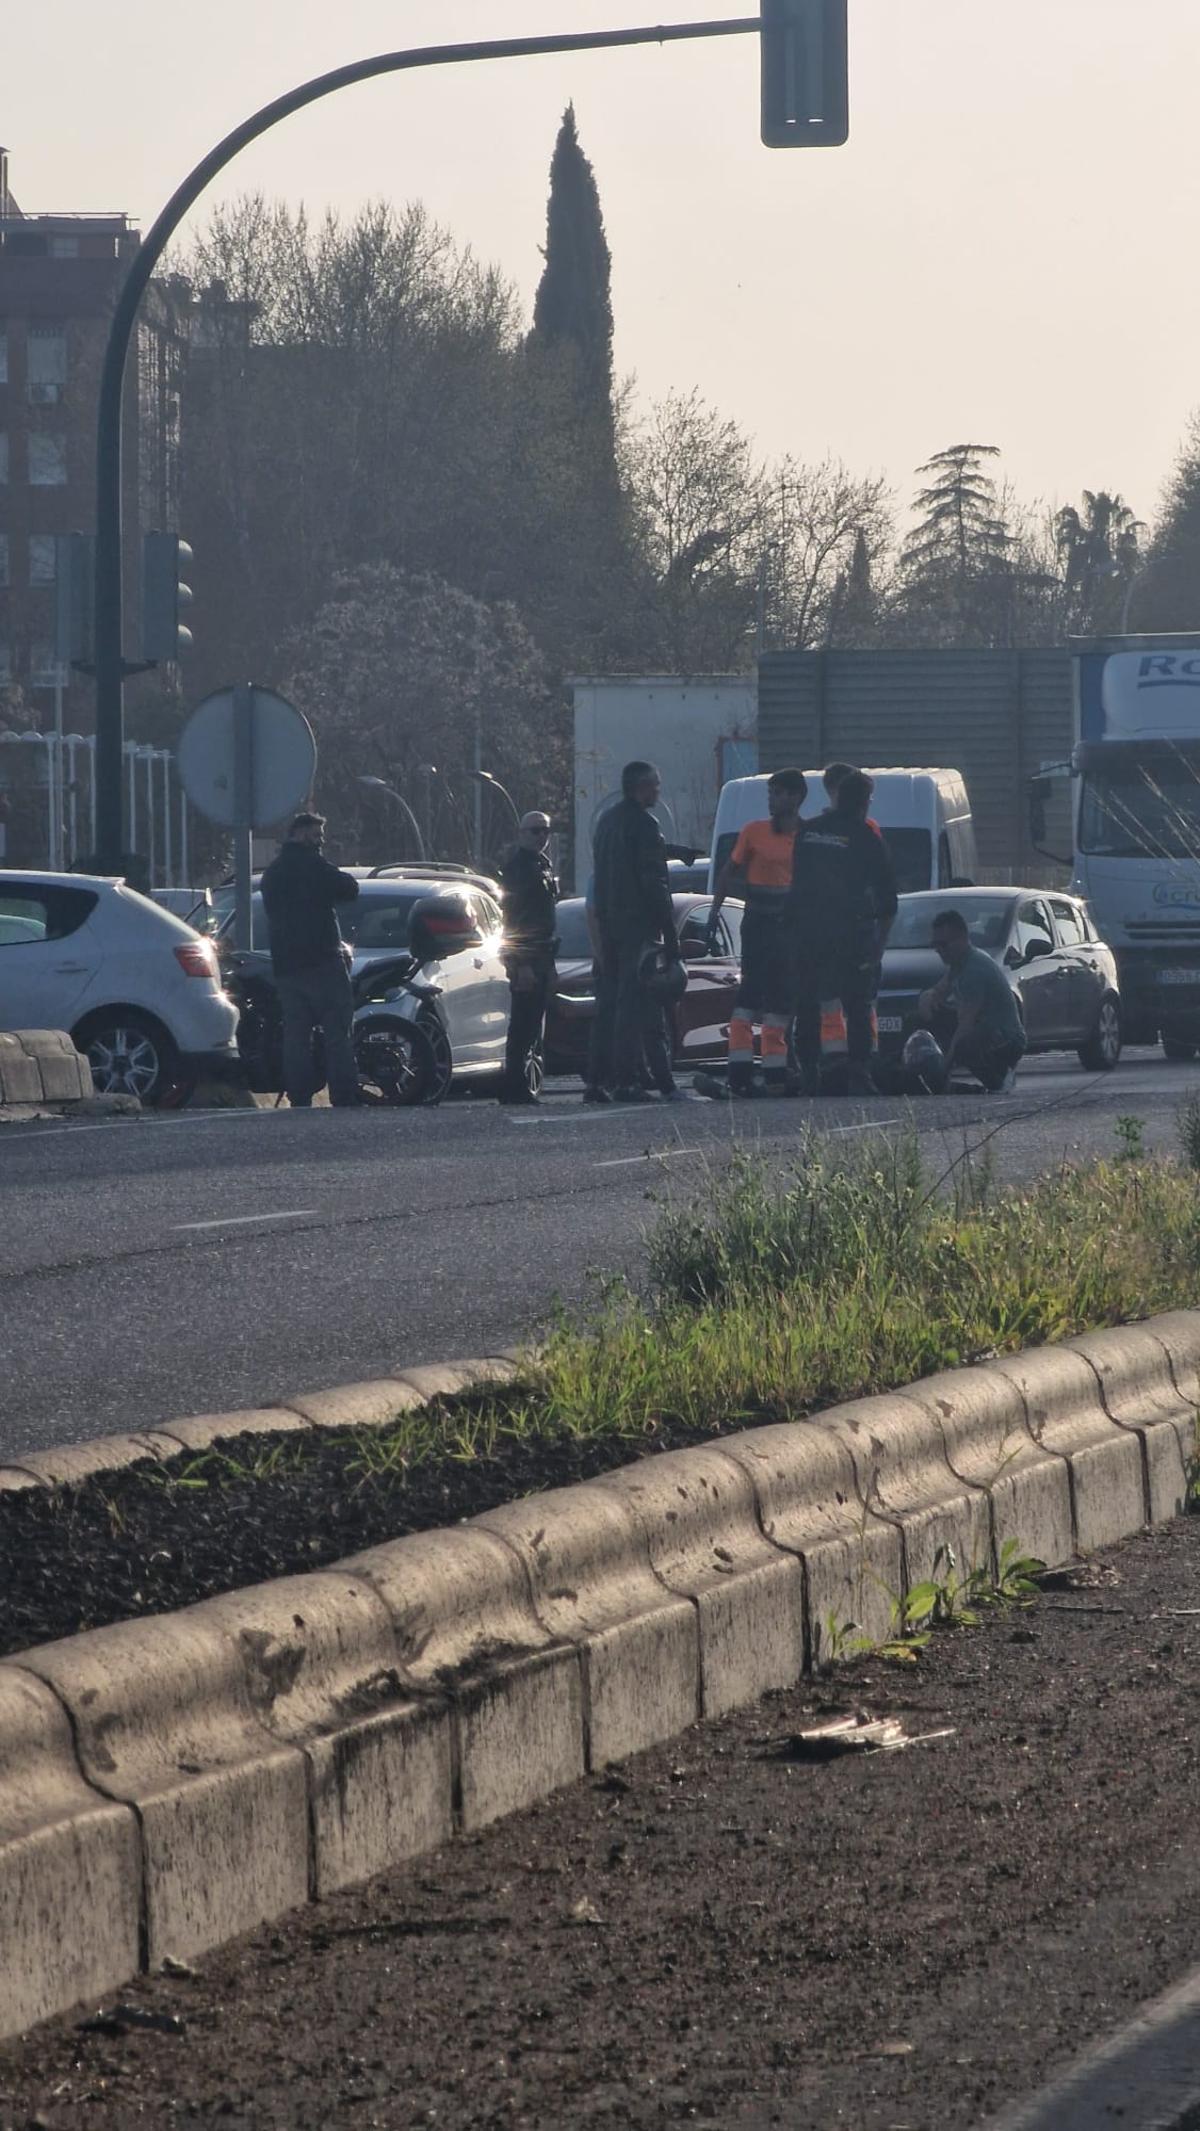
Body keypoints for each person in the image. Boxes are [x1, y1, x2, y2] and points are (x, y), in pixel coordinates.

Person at [787, 769, 897, 1097]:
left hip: (806, 934)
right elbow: (888, 900)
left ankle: (809, 1072)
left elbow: (797, 884)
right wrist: (878, 946)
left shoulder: (808, 831)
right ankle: (859, 1073)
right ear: (865, 801)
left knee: (807, 1004)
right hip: (850, 934)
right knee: (858, 1006)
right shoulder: (866, 837)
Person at [707, 768, 807, 1095]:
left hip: (790, 929)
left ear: (796, 797)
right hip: (758, 926)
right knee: (749, 996)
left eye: (779, 794)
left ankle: (777, 1074)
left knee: (781, 1001)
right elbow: (727, 872)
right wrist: (714, 912)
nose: (773, 801)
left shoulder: (807, 836)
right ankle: (739, 1073)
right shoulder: (753, 832)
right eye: (771, 794)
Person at [589, 760, 684, 1104]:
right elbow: (652, 881)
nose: (658, 791)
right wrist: (669, 933)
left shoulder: (606, 822)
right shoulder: (645, 823)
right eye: (654, 785)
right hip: (638, 927)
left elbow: (603, 875)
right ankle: (630, 1081)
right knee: (637, 1005)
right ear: (640, 787)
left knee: (610, 1005)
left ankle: (598, 1081)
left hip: (611, 922)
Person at [259, 811, 360, 1108]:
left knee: (296, 1035)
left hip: (287, 966)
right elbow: (349, 888)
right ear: (301, 834)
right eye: (316, 836)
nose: (320, 842)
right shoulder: (314, 866)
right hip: (323, 961)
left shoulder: (273, 873)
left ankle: (299, 1096)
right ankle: (343, 1095)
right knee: (337, 1032)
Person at [914, 908, 1026, 1092]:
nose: (939, 951)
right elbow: (938, 992)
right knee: (926, 1018)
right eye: (935, 945)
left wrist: (946, 1065)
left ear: (961, 940)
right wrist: (926, 1001)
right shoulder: (958, 964)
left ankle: (998, 1079)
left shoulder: (974, 969)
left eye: (943, 945)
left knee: (965, 1045)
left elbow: (966, 1023)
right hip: (985, 1027)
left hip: (1008, 1039)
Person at [497, 810, 558, 1106]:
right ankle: (513, 1086)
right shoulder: (518, 868)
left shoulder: (541, 864)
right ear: (521, 834)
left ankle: (520, 1083)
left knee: (533, 1023)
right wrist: (519, 963)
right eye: (534, 831)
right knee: (522, 1023)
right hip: (527, 955)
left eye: (545, 831)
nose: (541, 837)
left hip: (543, 952)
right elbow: (514, 919)